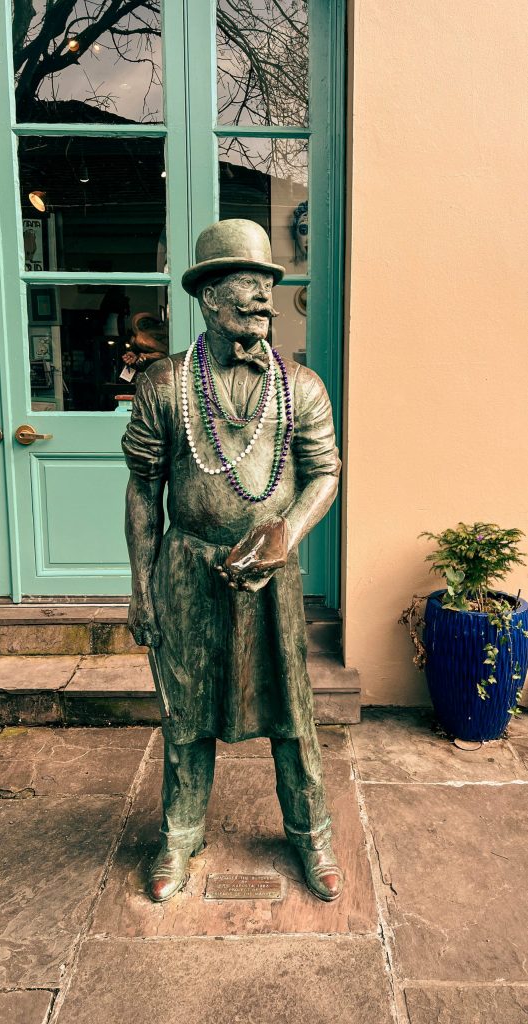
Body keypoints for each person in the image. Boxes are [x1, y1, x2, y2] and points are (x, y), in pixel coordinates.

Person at [122, 219, 344, 904]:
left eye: (267, 290)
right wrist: (142, 588)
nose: (264, 302)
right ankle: (181, 832)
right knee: (184, 712)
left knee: (292, 710)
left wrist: (287, 532)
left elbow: (325, 472)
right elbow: (143, 488)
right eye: (248, 289)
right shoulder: (164, 384)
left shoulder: (299, 385)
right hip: (186, 569)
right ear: (208, 298)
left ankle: (312, 834)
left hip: (269, 575)